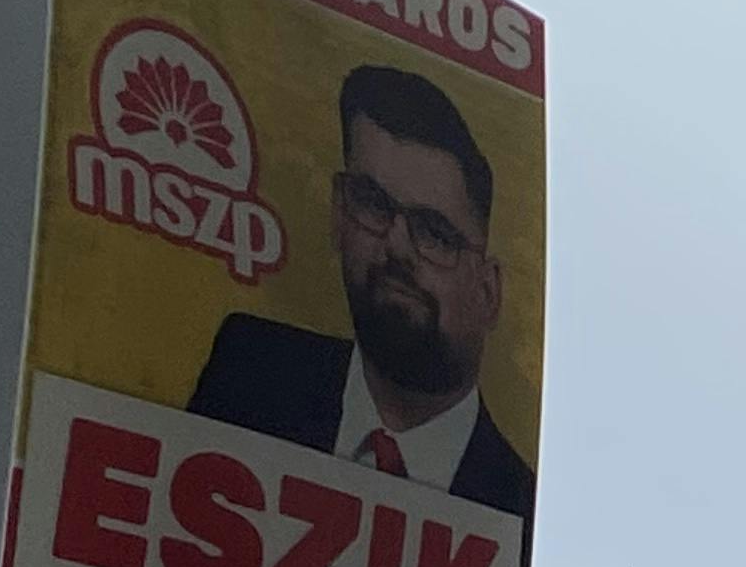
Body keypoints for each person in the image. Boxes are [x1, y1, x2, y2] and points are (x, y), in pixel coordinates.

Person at [189, 62, 535, 519]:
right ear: (338, 213)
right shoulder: (250, 369)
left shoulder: (518, 508)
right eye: (373, 203)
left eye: (434, 233)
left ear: (488, 292)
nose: (396, 246)